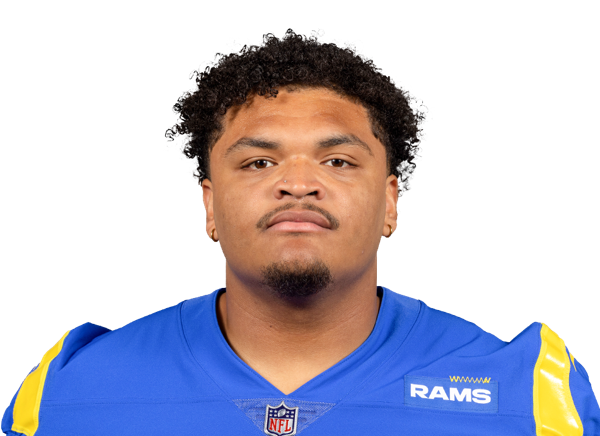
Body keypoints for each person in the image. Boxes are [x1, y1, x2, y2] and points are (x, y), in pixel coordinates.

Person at [3, 30, 598, 436]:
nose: (297, 184)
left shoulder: (527, 392)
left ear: (390, 202)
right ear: (209, 204)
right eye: (259, 162)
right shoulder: (66, 389)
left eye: (337, 161)